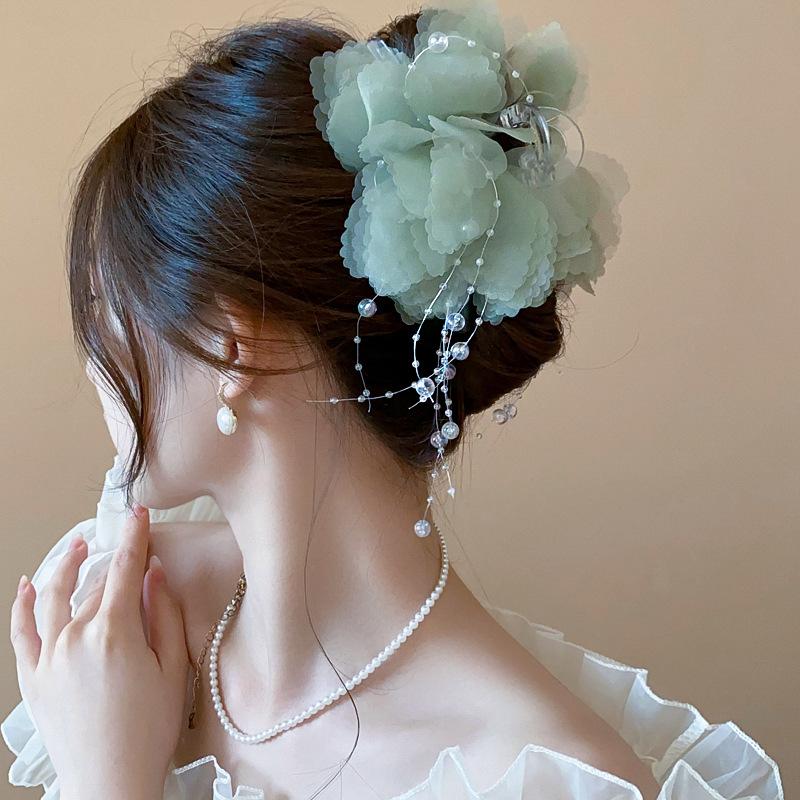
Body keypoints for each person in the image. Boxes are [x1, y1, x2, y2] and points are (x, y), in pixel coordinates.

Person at [1, 1, 784, 798]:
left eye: (103, 312)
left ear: (232, 347)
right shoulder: (120, 620)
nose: (92, 362)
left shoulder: (536, 778)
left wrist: (110, 779)